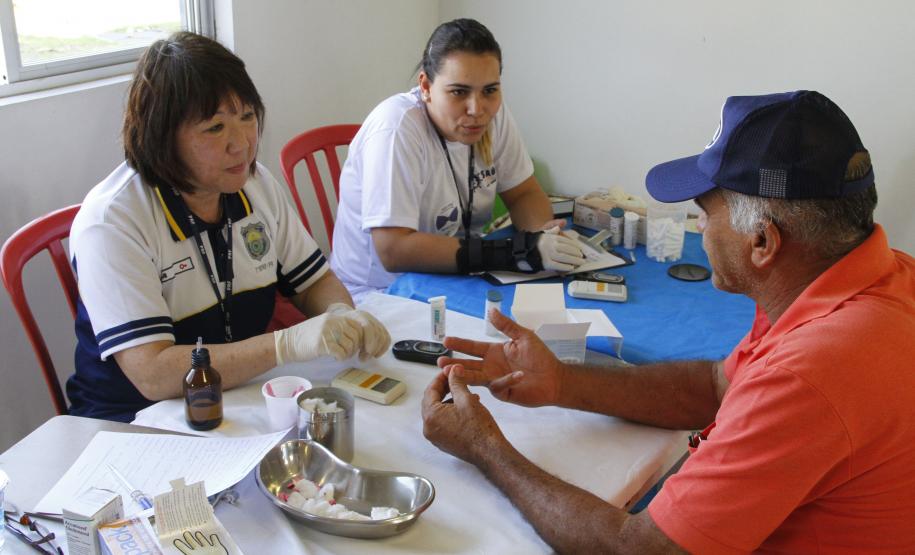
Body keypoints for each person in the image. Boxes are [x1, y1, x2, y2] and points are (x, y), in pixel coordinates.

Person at [422, 91, 915, 552]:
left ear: (764, 243)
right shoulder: (869, 278)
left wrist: (485, 448)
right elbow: (716, 387)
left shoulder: (810, 372)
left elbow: (641, 547)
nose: (699, 228)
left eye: (703, 213)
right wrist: (561, 380)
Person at [68, 32, 390, 422]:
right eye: (214, 128)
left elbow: (313, 282)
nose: (242, 144)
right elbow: (152, 374)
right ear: (162, 137)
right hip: (139, 419)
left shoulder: (256, 185)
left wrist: (341, 314)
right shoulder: (113, 222)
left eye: (248, 117)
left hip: (239, 396)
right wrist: (285, 345)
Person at [330, 18, 586, 300]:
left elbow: (523, 192)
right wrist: (514, 251)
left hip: (455, 274)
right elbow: (394, 250)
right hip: (380, 294)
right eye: (458, 92)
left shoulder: (494, 116)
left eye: (490, 90)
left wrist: (542, 235)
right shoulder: (396, 128)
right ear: (426, 87)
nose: (477, 109)